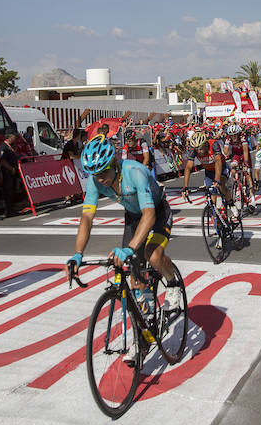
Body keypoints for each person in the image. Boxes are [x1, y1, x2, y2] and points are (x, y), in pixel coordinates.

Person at [67, 134, 180, 363]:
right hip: (133, 217)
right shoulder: (95, 181)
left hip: (157, 212)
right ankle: (144, 335)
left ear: (114, 165)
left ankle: (173, 282)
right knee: (135, 280)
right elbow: (87, 217)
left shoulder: (135, 171)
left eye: (104, 173)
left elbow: (149, 215)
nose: (100, 180)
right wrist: (78, 253)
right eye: (95, 175)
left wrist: (130, 248)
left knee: (152, 254)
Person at [182, 130, 231, 208]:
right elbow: (188, 168)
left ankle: (231, 204)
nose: (199, 151)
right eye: (197, 149)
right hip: (209, 172)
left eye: (200, 148)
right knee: (211, 199)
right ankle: (214, 218)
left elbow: (218, 162)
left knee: (221, 185)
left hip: (221, 168)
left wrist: (217, 179)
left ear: (205, 144)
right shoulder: (194, 150)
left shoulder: (213, 144)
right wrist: (185, 187)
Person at [0, 128, 20, 218]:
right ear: (10, 137)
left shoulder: (12, 146)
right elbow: (3, 161)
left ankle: (13, 209)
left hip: (13, 172)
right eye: (14, 136)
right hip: (7, 172)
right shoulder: (3, 147)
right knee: (8, 192)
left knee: (13, 191)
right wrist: (11, 169)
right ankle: (8, 211)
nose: (15, 138)